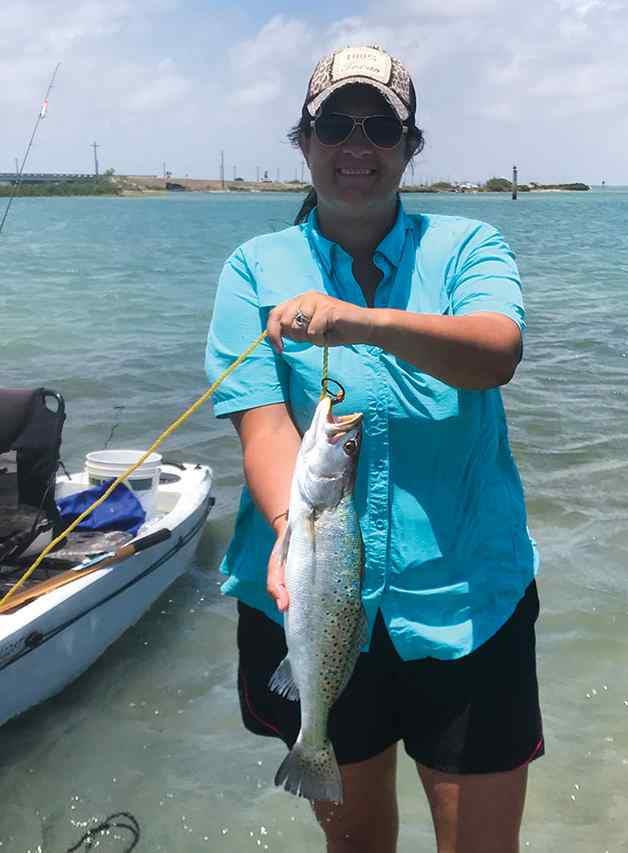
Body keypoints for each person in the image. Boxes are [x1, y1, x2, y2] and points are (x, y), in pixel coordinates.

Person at [206, 44, 543, 853]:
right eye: (334, 123)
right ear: (304, 140)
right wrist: (292, 523)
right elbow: (264, 426)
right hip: (310, 604)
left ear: (409, 145)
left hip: (468, 604)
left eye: (380, 126)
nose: (356, 146)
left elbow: (495, 350)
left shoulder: (467, 249)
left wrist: (359, 321)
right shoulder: (253, 269)